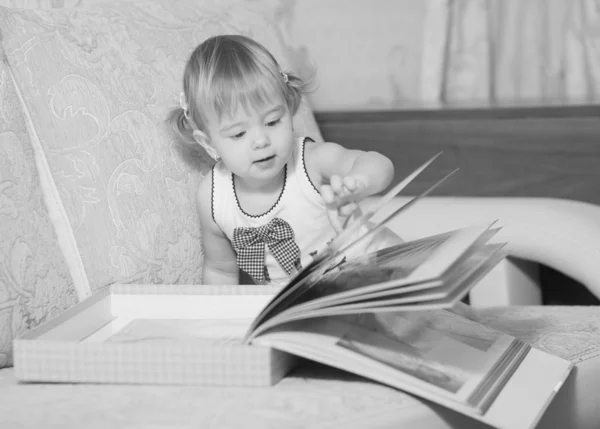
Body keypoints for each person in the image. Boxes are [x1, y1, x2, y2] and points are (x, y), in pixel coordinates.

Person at [169, 34, 398, 286]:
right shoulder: (212, 198)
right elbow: (220, 270)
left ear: (288, 111)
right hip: (312, 304)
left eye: (272, 121)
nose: (261, 140)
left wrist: (359, 182)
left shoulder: (311, 162)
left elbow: (380, 164)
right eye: (239, 133)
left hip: (383, 270)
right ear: (209, 143)